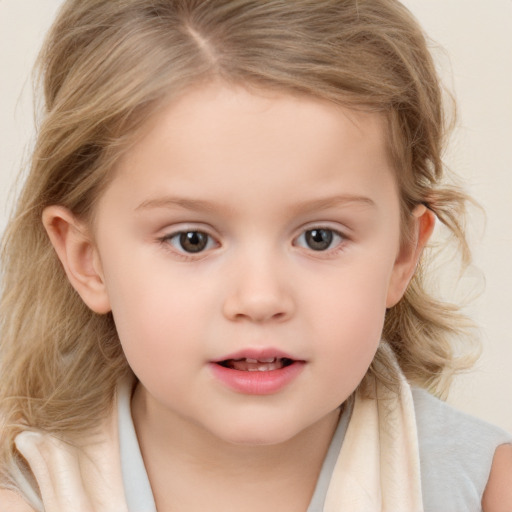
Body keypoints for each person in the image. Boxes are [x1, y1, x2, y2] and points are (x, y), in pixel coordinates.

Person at [0, 0, 511, 510]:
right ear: (88, 260)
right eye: (192, 240)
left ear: (403, 254)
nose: (260, 298)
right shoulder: (29, 495)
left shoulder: (487, 489)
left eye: (319, 237)